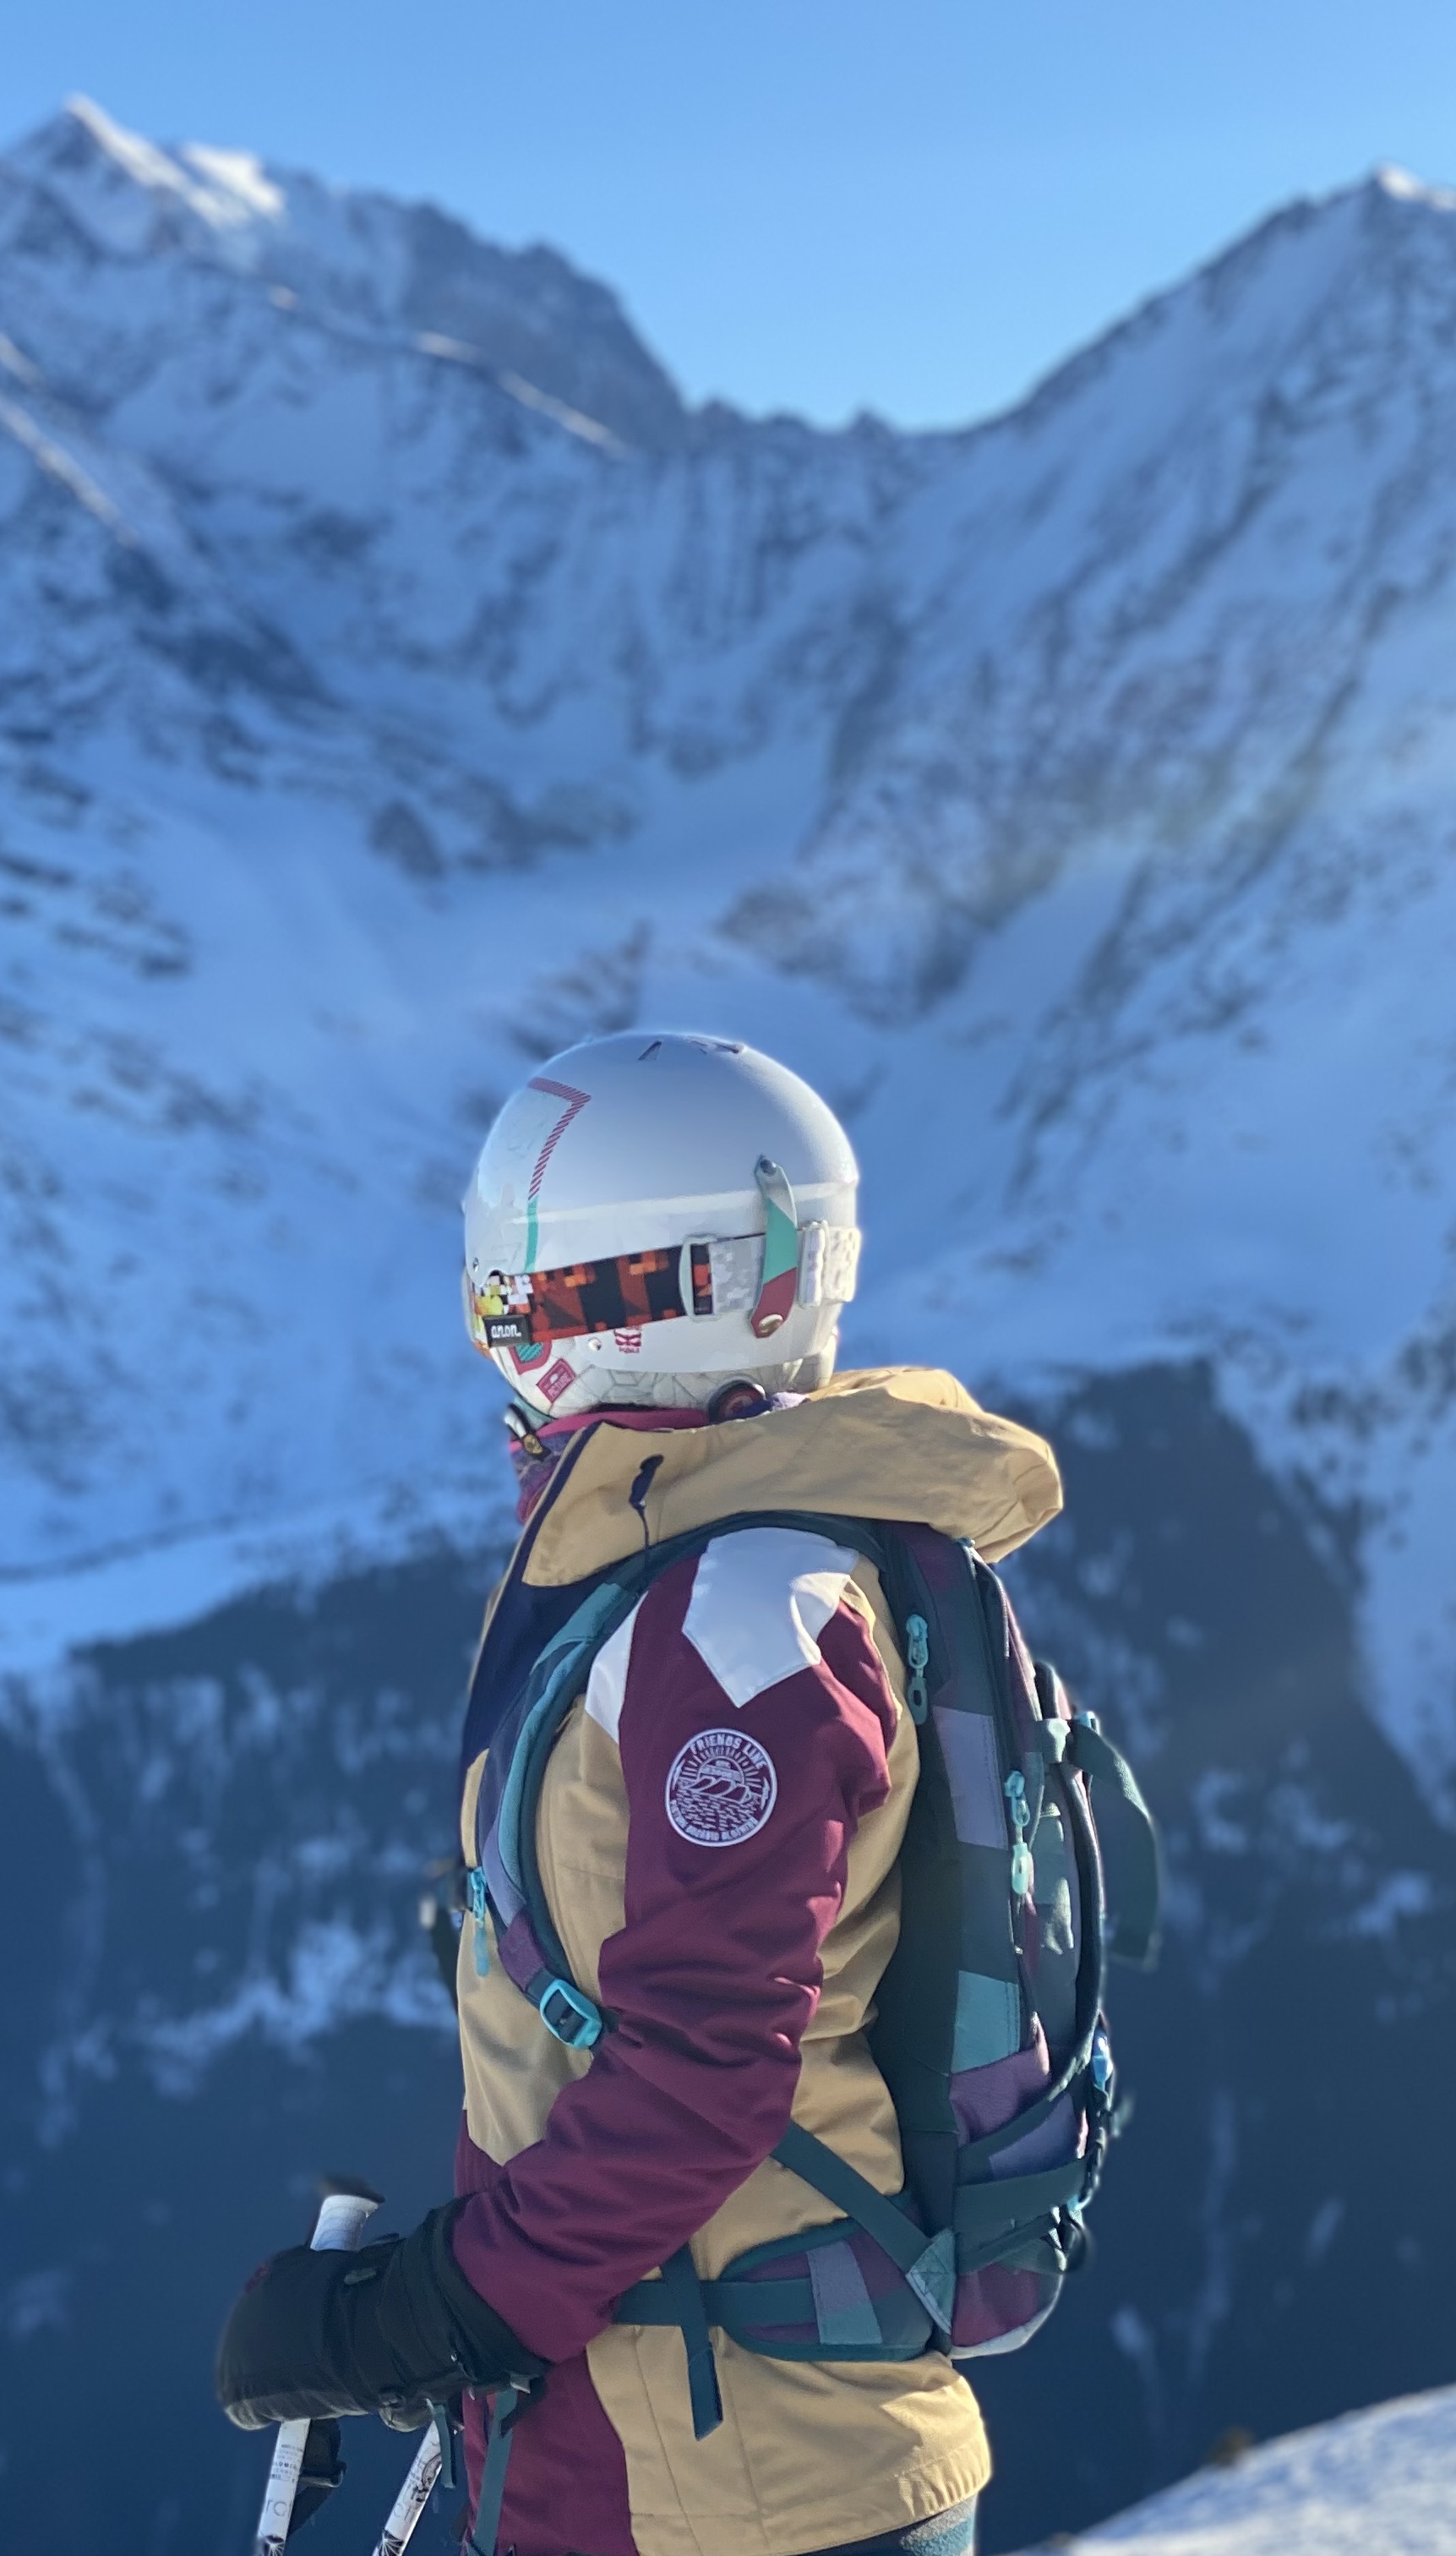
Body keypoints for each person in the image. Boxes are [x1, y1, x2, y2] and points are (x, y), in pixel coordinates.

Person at [215, 1032, 1066, 2556]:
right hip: (668, 2448)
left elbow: (708, 2067)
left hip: (732, 2489)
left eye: (566, 1302)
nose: (525, 1357)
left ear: (729, 1284)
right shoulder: (671, 1569)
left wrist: (439, 2307)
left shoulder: (740, 1618)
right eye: (503, 1305)